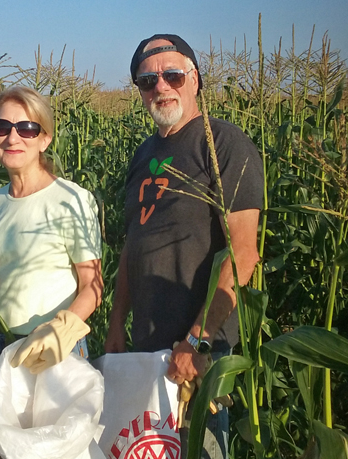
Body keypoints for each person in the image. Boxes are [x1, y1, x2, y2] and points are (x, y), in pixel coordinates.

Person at [104, 34, 263, 458]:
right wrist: (117, 323)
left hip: (197, 357)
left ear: (195, 79)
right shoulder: (143, 154)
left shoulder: (225, 144)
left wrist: (198, 341)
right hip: (146, 348)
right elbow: (132, 244)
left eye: (172, 74)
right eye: (147, 80)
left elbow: (243, 254)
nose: (161, 87)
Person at [0, 86, 103, 374]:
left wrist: (60, 331)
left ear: (45, 139)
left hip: (56, 347)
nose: (12, 138)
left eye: (26, 128)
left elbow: (93, 286)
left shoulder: (71, 200)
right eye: (1, 127)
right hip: (1, 344)